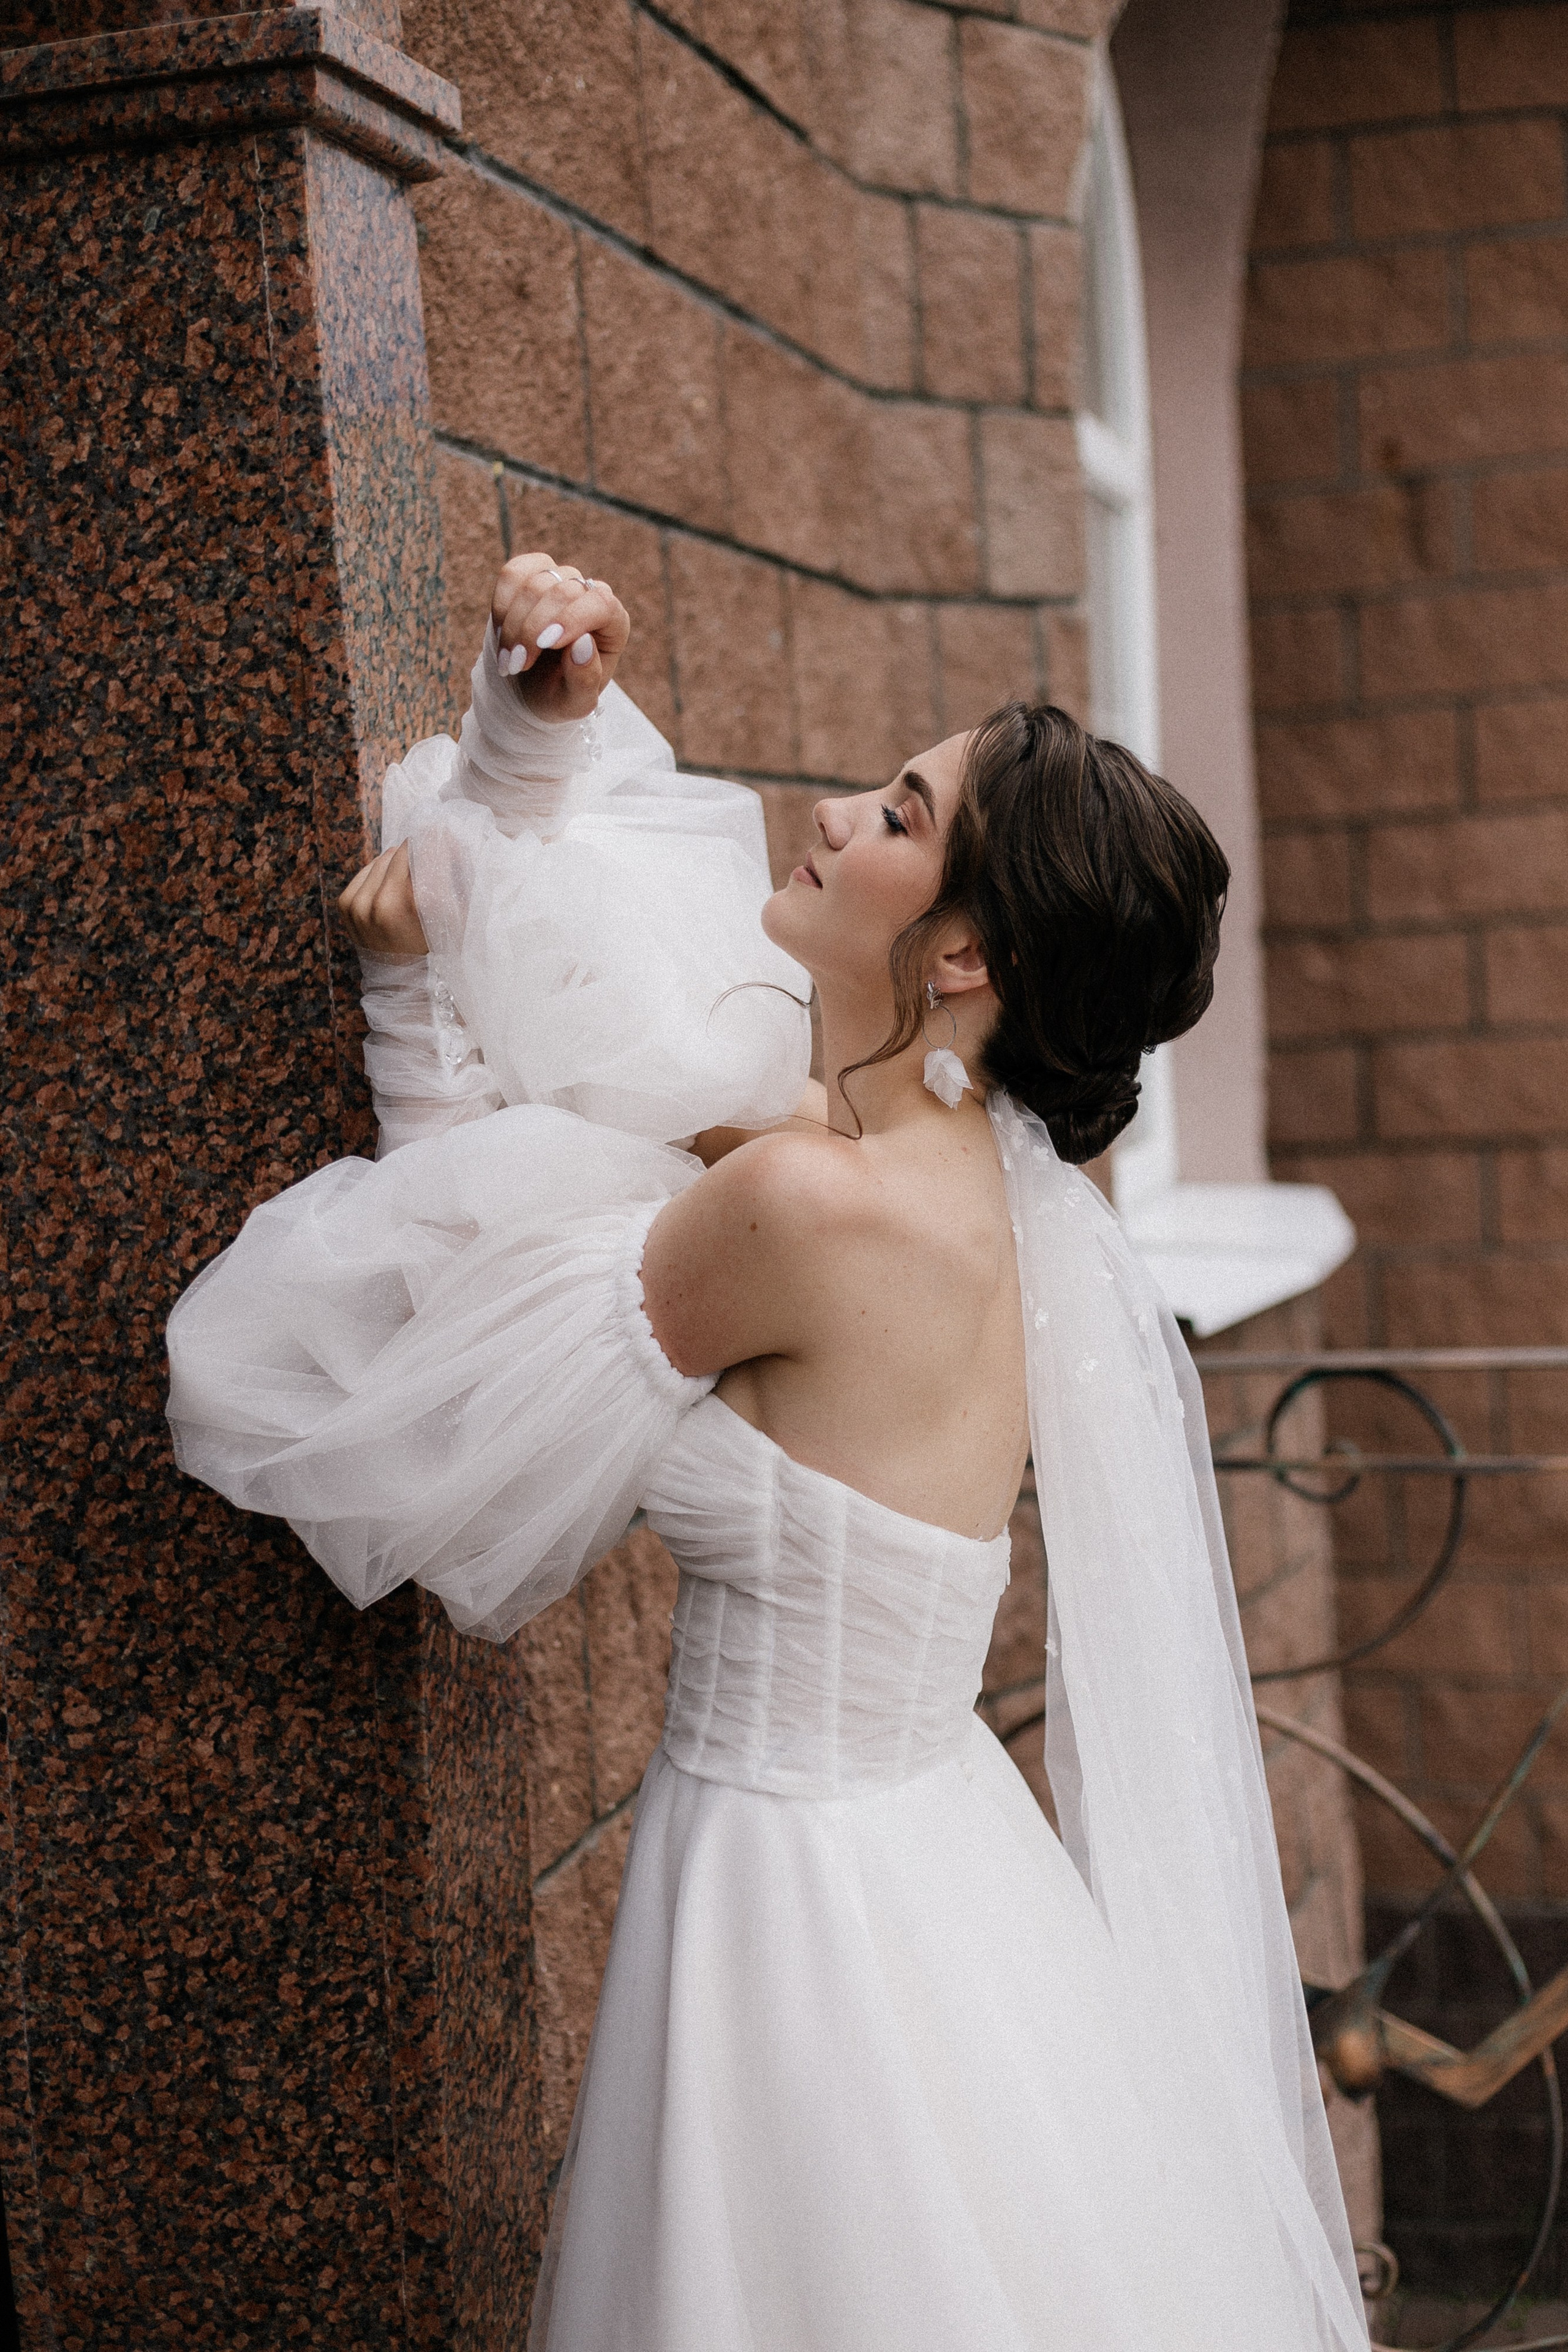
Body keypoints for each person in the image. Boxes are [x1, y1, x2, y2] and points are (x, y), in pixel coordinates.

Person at [167, 557, 1370, 2350]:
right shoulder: (952, 1185)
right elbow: (624, 1053)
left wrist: (412, 991)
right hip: (931, 1856)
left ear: (962, 955)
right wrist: (525, 740)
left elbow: (428, 1389)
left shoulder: (807, 1201)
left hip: (793, 1907)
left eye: (897, 812)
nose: (826, 811)